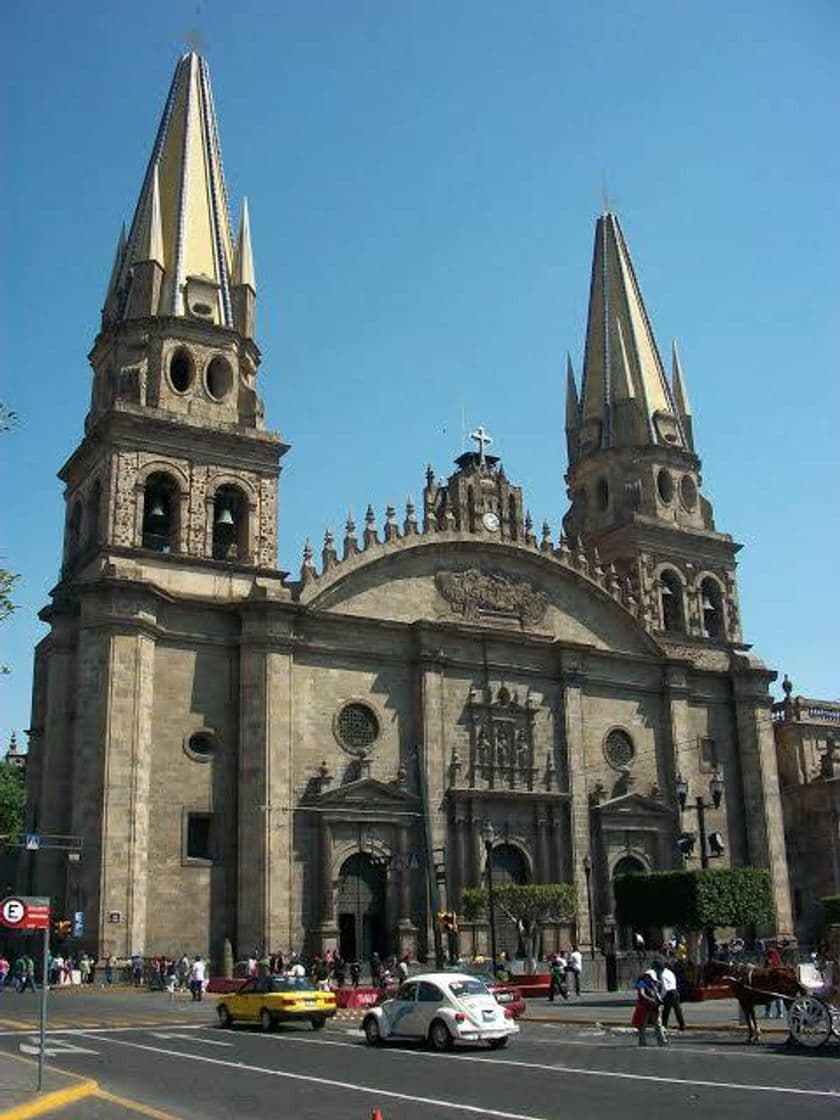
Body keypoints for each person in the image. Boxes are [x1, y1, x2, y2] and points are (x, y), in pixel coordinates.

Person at [631, 969, 667, 1046]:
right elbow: (642, 993)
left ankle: (662, 1041)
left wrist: (659, 1002)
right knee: (642, 1025)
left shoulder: (654, 984)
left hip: (654, 1007)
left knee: (658, 1024)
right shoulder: (642, 983)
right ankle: (642, 1042)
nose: (650, 979)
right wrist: (650, 1000)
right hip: (645, 1007)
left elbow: (658, 993)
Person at [655, 960, 685, 1031]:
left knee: (666, 1011)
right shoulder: (670, 972)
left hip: (669, 993)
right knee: (677, 1010)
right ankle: (682, 1025)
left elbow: (664, 987)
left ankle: (664, 1026)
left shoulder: (662, 975)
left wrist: (661, 997)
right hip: (675, 991)